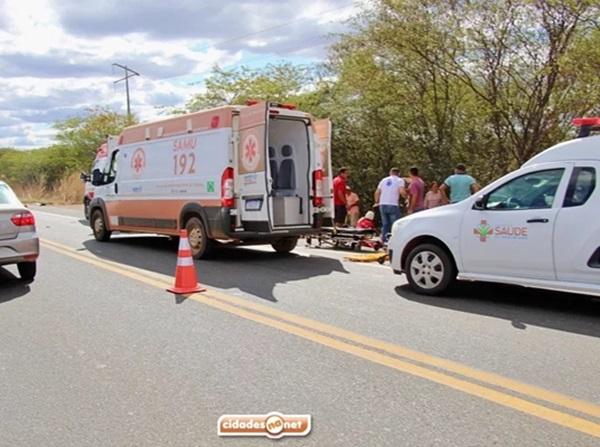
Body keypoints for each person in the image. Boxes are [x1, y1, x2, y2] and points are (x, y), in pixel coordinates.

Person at [374, 167, 406, 243]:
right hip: (393, 204)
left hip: (383, 204)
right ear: (398, 173)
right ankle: (394, 240)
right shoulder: (399, 180)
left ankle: (384, 240)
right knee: (394, 224)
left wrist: (377, 201)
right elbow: (401, 191)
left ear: (390, 172)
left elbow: (377, 192)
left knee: (385, 224)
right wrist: (406, 197)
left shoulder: (383, 180)